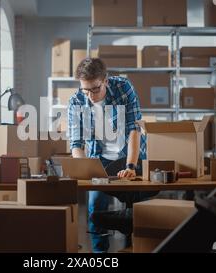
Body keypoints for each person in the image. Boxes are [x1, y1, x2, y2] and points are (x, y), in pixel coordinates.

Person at [67, 58, 156, 253]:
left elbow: (134, 129)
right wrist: (85, 170)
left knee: (137, 207)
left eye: (95, 89)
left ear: (105, 80)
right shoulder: (76, 101)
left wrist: (131, 166)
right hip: (99, 159)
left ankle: (135, 247)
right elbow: (76, 144)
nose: (90, 96)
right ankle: (101, 256)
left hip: (130, 154)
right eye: (85, 90)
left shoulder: (124, 88)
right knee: (95, 207)